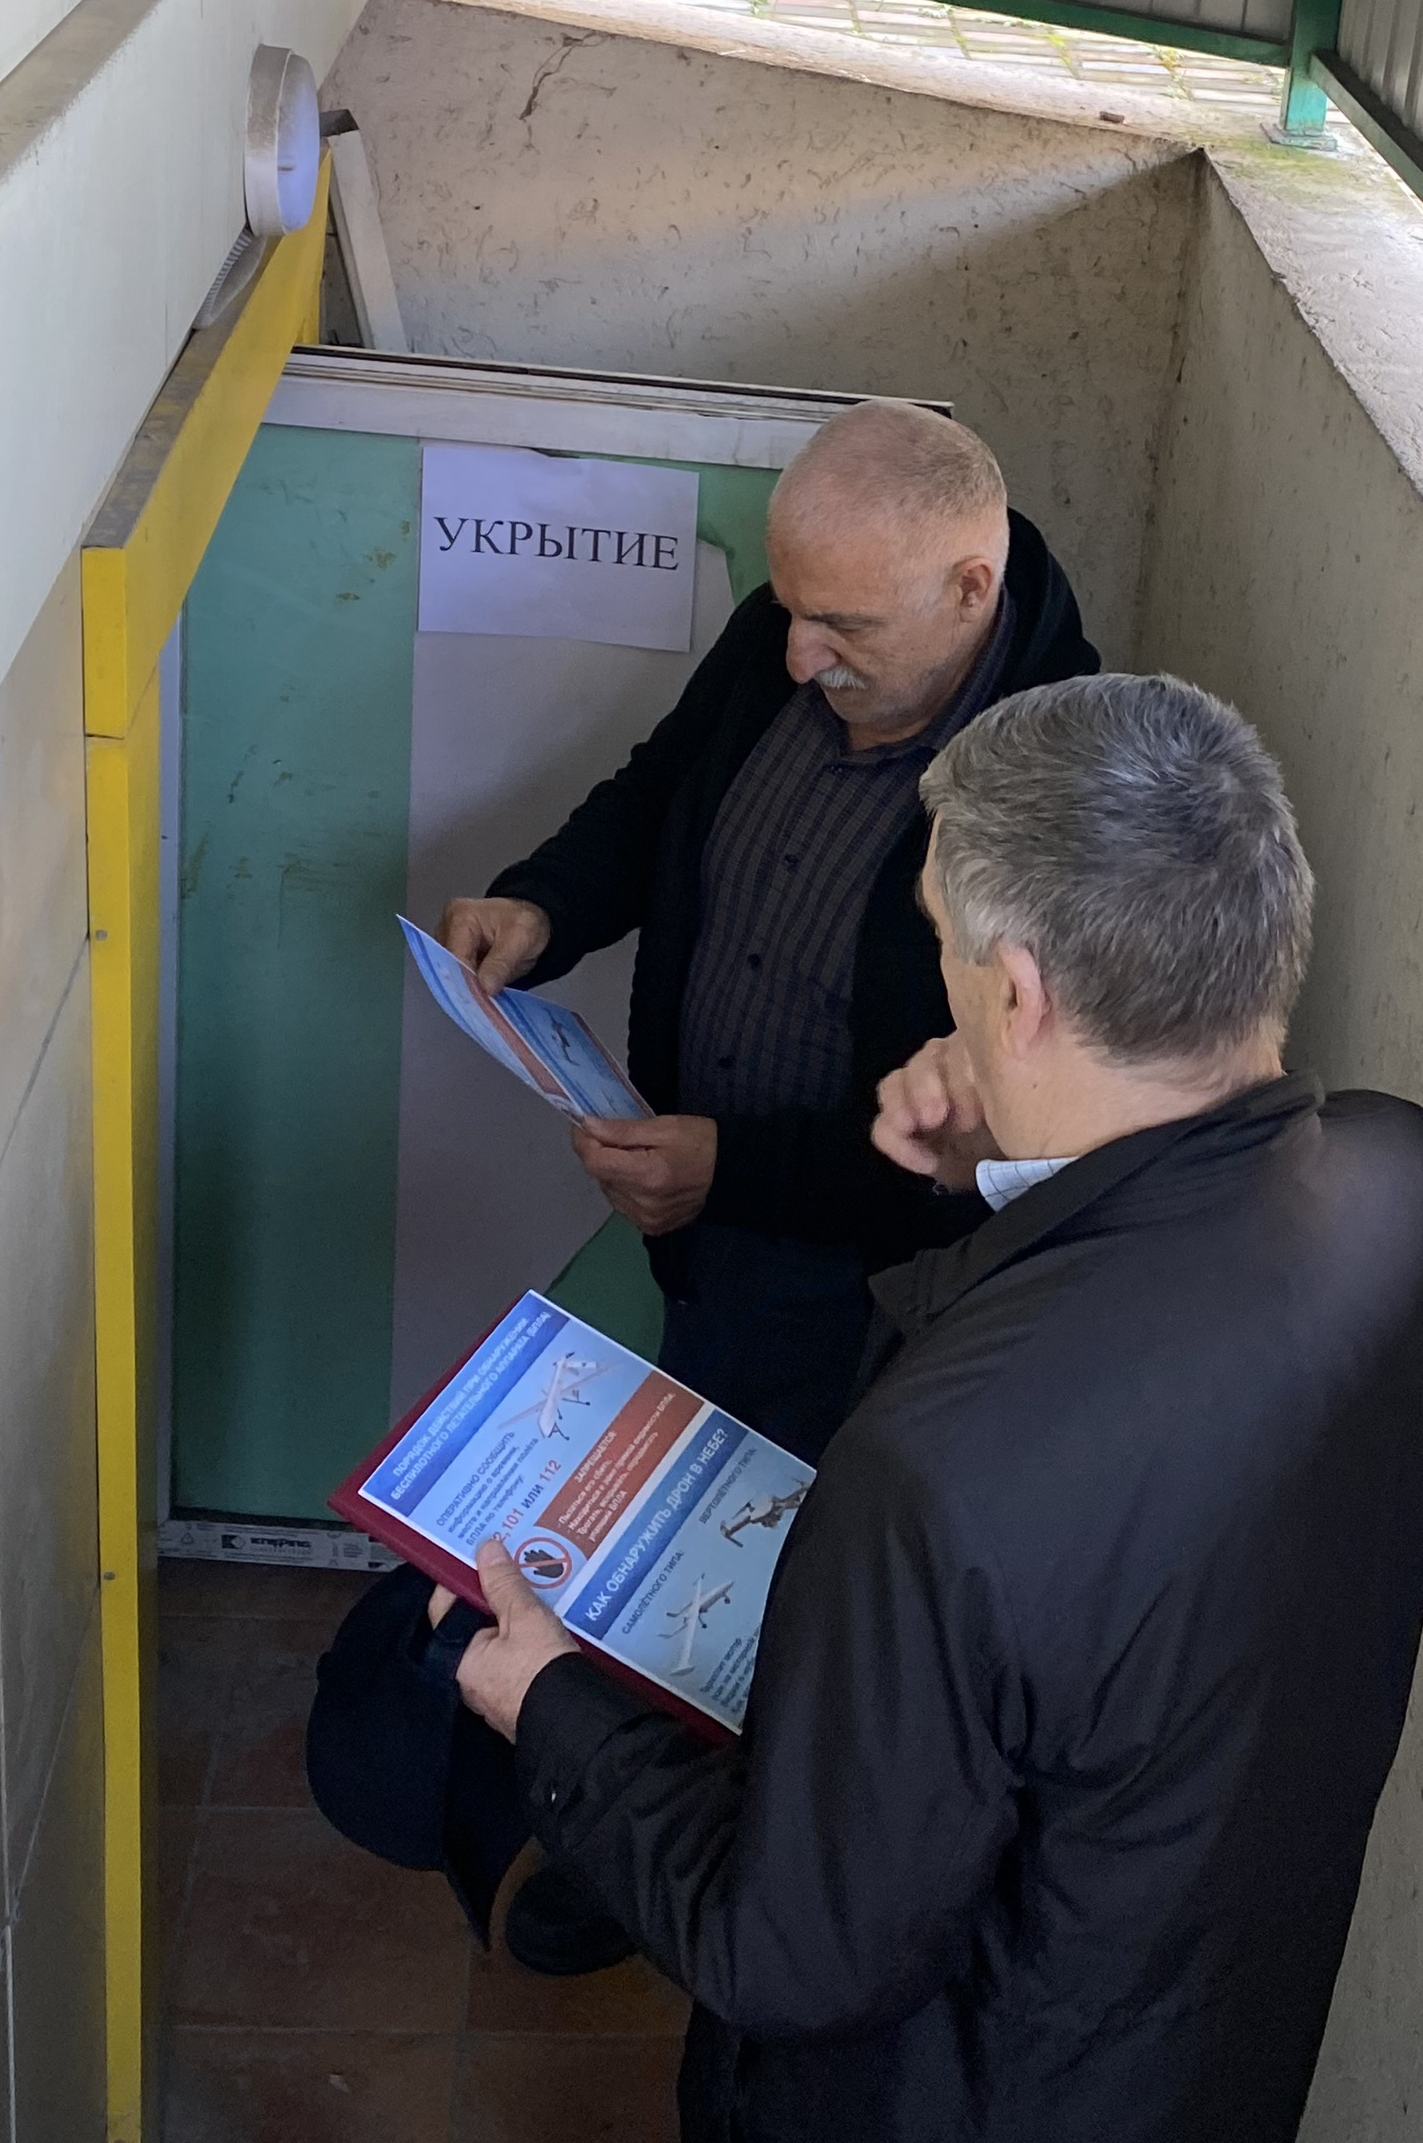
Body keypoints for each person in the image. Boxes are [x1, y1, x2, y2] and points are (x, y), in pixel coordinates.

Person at [449, 673, 1423, 2143]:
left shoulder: (940, 1470)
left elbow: (792, 1955)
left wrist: (552, 1709)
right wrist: (1005, 1158)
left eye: (943, 943)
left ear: (1018, 995)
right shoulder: (1408, 1187)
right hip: (1211, 2039)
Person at [436, 399, 1095, 1460]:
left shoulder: (1062, 786)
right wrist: (542, 904)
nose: (796, 655)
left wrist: (734, 1170)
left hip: (872, 1290)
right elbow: (661, 793)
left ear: (970, 588)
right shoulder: (781, 637)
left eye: (844, 627)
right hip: (703, 1229)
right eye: (789, 609)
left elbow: (995, 1122)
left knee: (790, 1529)